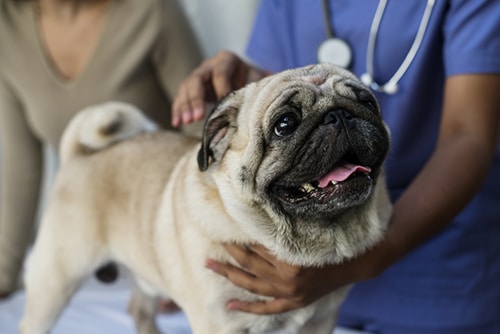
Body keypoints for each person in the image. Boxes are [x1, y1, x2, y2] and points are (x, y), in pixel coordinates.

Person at [172, 1, 500, 333]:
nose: (336, 123)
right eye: (287, 124)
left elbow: (468, 136)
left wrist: (363, 261)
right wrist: (249, 84)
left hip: (437, 282)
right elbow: (280, 87)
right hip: (289, 287)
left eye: (360, 104)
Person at [0, 0, 202, 298]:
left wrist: (190, 262)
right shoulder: (6, 27)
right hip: (86, 238)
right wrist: (5, 274)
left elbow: (205, 135)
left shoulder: (152, 11)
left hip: (167, 241)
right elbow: (21, 166)